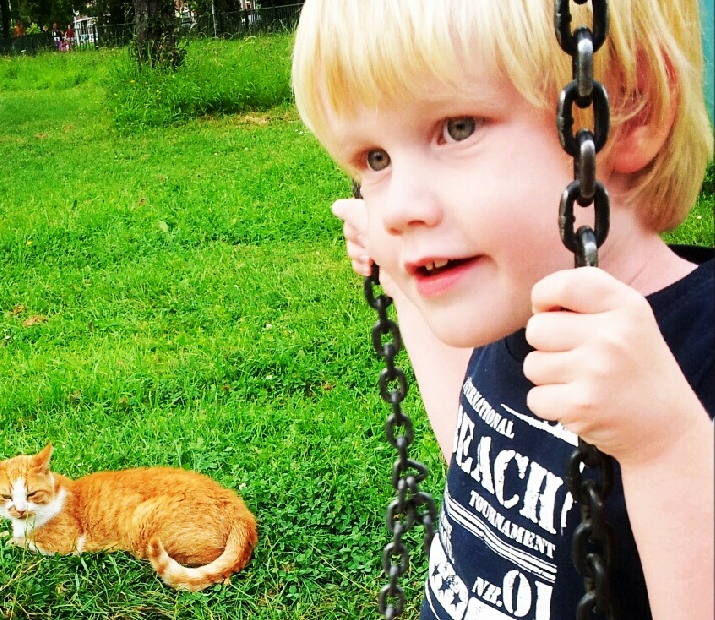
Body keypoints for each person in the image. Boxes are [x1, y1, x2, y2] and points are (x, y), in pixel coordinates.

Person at [291, 2, 713, 619]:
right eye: (376, 160)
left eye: (458, 128)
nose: (398, 208)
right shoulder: (518, 299)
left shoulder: (699, 353)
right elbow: (470, 458)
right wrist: (405, 284)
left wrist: (665, 447)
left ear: (625, 112)